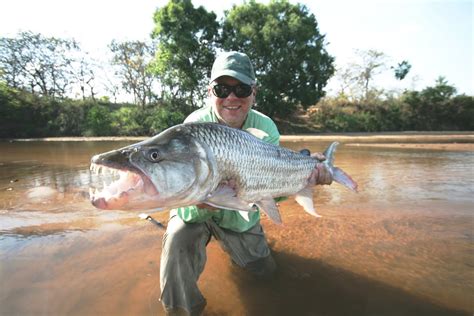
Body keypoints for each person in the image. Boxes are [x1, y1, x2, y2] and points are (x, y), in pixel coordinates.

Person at [159, 51, 330, 315]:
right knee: (177, 242)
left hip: (241, 217)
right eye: (222, 88)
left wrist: (306, 177)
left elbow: (272, 188)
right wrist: (208, 202)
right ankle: (181, 310)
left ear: (253, 92)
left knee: (264, 273)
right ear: (210, 92)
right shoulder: (194, 125)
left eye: (240, 89)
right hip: (194, 210)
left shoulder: (266, 127)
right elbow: (179, 186)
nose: (231, 98)